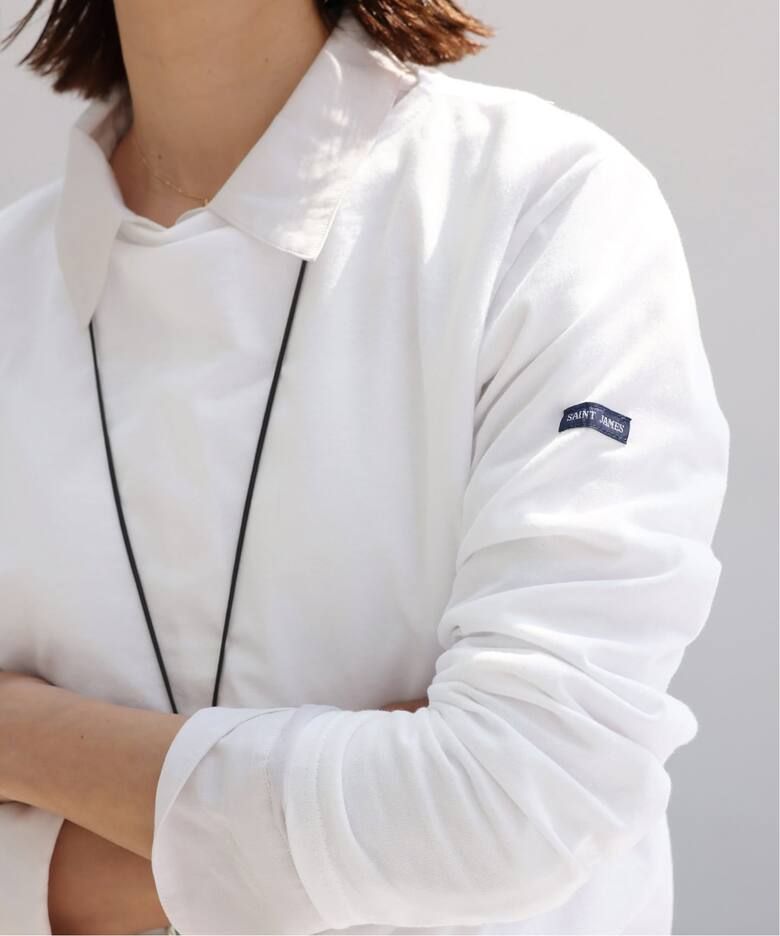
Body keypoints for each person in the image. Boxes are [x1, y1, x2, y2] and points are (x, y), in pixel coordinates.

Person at [0, 1, 730, 934]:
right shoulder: (14, 288)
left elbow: (520, 801)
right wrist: (362, 822)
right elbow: (460, 827)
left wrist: (22, 739)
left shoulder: (542, 211)